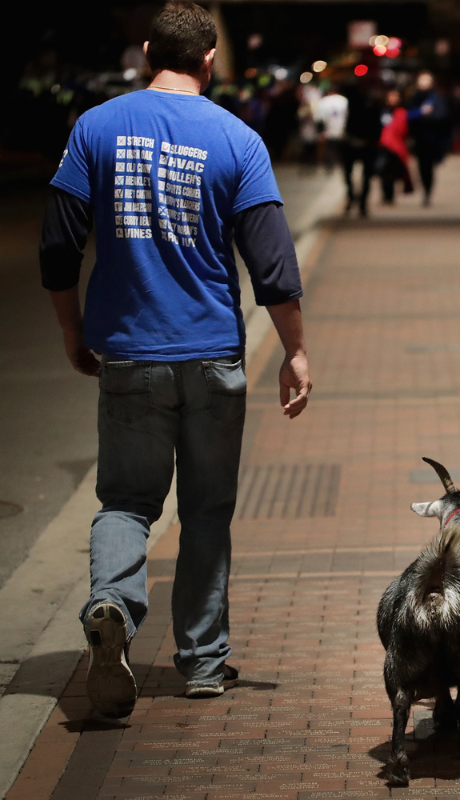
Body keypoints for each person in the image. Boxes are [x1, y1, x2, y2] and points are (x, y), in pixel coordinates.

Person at [39, 1, 312, 717]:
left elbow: (59, 248)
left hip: (129, 354)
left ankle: (113, 608)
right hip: (214, 354)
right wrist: (295, 352)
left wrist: (72, 331)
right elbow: (273, 264)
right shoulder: (237, 139)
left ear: (145, 52)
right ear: (209, 60)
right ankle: (202, 661)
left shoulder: (93, 129)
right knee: (207, 510)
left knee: (126, 501)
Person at [406, 72, 448, 207]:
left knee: (429, 167)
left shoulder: (436, 99)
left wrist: (429, 116)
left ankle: (428, 192)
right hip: (418, 139)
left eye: (427, 81)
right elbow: (406, 116)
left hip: (433, 139)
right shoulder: (413, 99)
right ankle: (425, 189)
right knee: (422, 167)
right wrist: (420, 113)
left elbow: (442, 117)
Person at [340, 81, 382, 217]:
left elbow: (377, 125)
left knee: (363, 175)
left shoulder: (369, 104)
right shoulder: (352, 102)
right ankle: (356, 199)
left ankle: (360, 201)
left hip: (365, 143)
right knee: (357, 175)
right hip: (356, 142)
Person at [378, 89, 414, 203]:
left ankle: (390, 194)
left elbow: (403, 129)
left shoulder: (401, 112)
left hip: (396, 146)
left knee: (392, 172)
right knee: (383, 170)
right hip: (383, 145)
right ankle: (386, 193)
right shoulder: (383, 111)